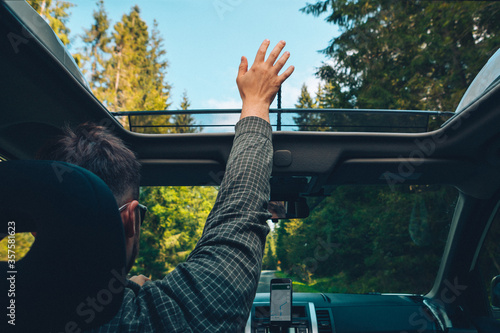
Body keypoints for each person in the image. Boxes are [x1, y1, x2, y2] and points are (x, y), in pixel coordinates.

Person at [37, 39, 294, 332]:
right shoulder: (154, 320)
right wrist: (257, 101)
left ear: (34, 227)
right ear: (130, 218)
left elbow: (238, 219)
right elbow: (238, 218)